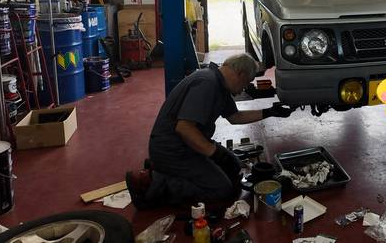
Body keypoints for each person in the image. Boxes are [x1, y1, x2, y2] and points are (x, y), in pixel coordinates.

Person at [125, 53, 294, 209]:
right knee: (221, 189)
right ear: (241, 74)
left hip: (188, 144)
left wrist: (270, 112)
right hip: (173, 150)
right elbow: (184, 128)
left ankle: (165, 169)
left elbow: (235, 117)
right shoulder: (207, 83)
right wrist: (215, 153)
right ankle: (153, 183)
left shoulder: (219, 84)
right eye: (246, 83)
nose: (244, 89)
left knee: (234, 167)